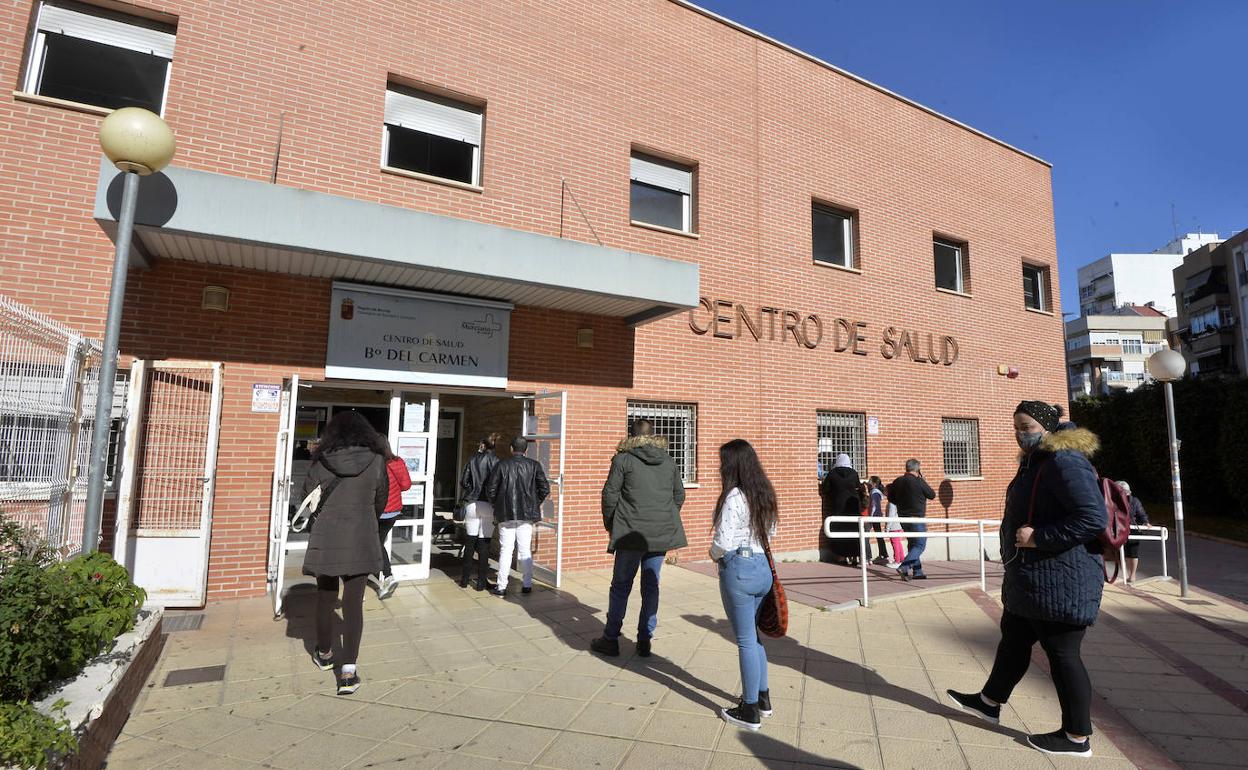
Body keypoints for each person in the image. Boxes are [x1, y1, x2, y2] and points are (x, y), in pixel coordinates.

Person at [948, 401, 1107, 758]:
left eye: (1026, 426)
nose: (1020, 434)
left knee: (1063, 655)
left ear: (1046, 427)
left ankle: (1076, 737)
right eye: (1016, 427)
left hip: (1061, 580)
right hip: (1034, 579)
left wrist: (1038, 538)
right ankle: (989, 702)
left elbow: (1093, 518)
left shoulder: (1065, 461)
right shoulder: (1039, 462)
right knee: (1014, 641)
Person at [301, 411, 389, 696]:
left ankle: (325, 654)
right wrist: (365, 517)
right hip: (361, 537)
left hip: (327, 537)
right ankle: (348, 672)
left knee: (325, 599)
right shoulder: (376, 461)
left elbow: (305, 497)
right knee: (353, 605)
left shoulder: (321, 462)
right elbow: (381, 498)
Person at [591, 419, 687, 658]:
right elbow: (679, 495)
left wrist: (612, 524)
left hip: (630, 535)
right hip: (658, 534)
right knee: (651, 586)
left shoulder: (623, 459)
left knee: (621, 586)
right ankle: (645, 639)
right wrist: (663, 518)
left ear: (630, 436)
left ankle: (611, 638)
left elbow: (610, 494)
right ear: (653, 436)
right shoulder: (668, 460)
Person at [712, 439, 780, 731]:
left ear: (733, 464)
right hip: (762, 568)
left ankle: (749, 708)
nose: (719, 467)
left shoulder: (734, 496)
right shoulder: (764, 493)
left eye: (723, 462)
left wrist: (713, 554)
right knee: (753, 636)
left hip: (738, 569)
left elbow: (722, 542)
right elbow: (773, 531)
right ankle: (763, 699)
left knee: (744, 640)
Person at [482, 435, 550, 596]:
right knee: (525, 550)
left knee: (506, 550)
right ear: (525, 450)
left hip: (506, 514)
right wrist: (534, 502)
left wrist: (496, 504)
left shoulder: (502, 465)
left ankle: (501, 586)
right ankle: (527, 584)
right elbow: (544, 489)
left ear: (512, 449)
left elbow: (491, 489)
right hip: (526, 514)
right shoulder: (534, 465)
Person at [459, 434, 501, 591]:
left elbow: (464, 481)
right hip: (489, 505)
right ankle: (481, 583)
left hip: (471, 502)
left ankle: (464, 580)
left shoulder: (472, 459)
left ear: (483, 445)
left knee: (470, 542)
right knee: (484, 544)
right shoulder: (497, 462)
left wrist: (471, 489)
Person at [376, 438, 412, 600]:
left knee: (375, 544)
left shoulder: (373, 463)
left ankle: (387, 576)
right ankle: (382, 581)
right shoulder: (397, 462)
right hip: (393, 512)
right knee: (376, 543)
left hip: (377, 510)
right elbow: (406, 485)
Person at [888, 459, 936, 580]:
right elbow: (931, 494)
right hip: (916, 518)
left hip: (903, 518)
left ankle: (917, 571)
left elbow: (891, 498)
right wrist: (922, 479)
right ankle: (904, 566)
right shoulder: (918, 481)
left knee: (912, 544)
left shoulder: (898, 481)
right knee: (920, 544)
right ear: (917, 469)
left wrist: (901, 504)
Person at [819, 453, 862, 565]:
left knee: (839, 530)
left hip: (838, 506)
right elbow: (858, 486)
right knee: (854, 531)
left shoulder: (832, 474)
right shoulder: (854, 473)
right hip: (852, 507)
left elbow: (826, 489)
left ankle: (841, 557)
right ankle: (854, 556)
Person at [1116, 481, 1149, 583]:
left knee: (1131, 553)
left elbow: (1141, 513)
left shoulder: (1133, 501)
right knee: (1122, 553)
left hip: (1131, 529)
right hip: (1122, 529)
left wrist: (1145, 522)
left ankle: (1131, 575)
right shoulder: (1115, 500)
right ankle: (1127, 574)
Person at [867, 476, 894, 566]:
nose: (868, 483)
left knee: (874, 534)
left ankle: (883, 555)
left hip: (874, 516)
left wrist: (871, 516)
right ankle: (883, 554)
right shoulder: (876, 492)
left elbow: (875, 506)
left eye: (869, 482)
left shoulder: (874, 492)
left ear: (874, 483)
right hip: (876, 516)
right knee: (878, 535)